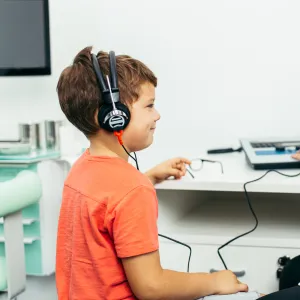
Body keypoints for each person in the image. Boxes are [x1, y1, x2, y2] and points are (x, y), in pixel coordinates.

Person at [55, 46, 300, 300]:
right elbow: (152, 287)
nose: (157, 115)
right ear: (113, 116)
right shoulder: (131, 189)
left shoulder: (81, 170)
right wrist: (213, 280)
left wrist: (147, 177)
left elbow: (105, 208)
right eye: (149, 106)